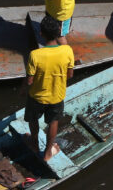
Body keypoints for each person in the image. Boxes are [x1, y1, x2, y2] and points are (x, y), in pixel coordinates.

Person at [23, 15, 75, 161]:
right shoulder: (67, 51)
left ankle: (34, 144)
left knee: (33, 120)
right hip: (56, 96)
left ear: (41, 34)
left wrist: (23, 90)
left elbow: (29, 80)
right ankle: (47, 153)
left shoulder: (35, 55)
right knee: (53, 122)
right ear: (58, 32)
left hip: (37, 96)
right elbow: (69, 75)